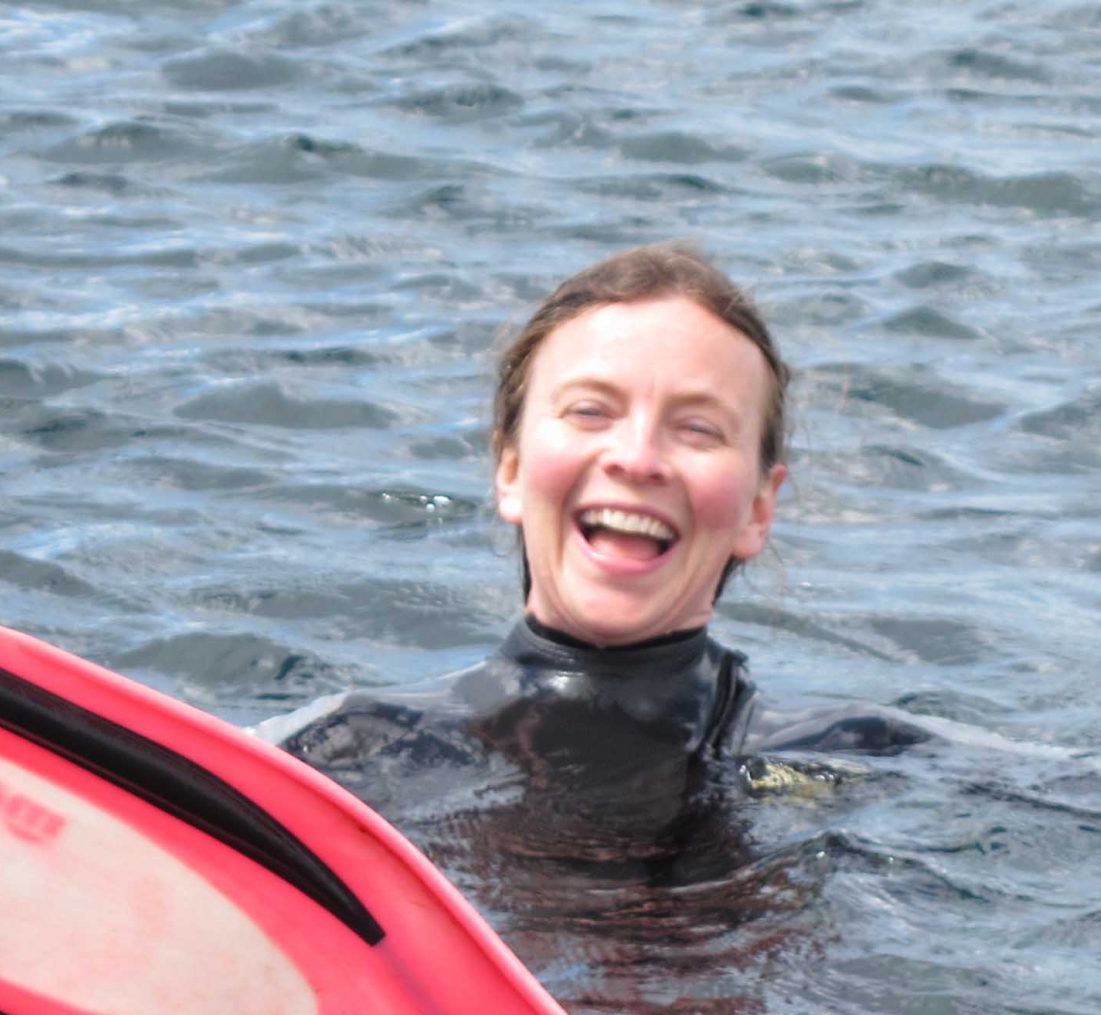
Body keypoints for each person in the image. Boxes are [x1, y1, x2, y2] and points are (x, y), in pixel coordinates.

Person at [255, 244, 926, 827]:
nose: (636, 458)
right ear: (510, 471)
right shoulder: (345, 755)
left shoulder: (866, 761)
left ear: (758, 509)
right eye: (589, 411)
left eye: (698, 428)